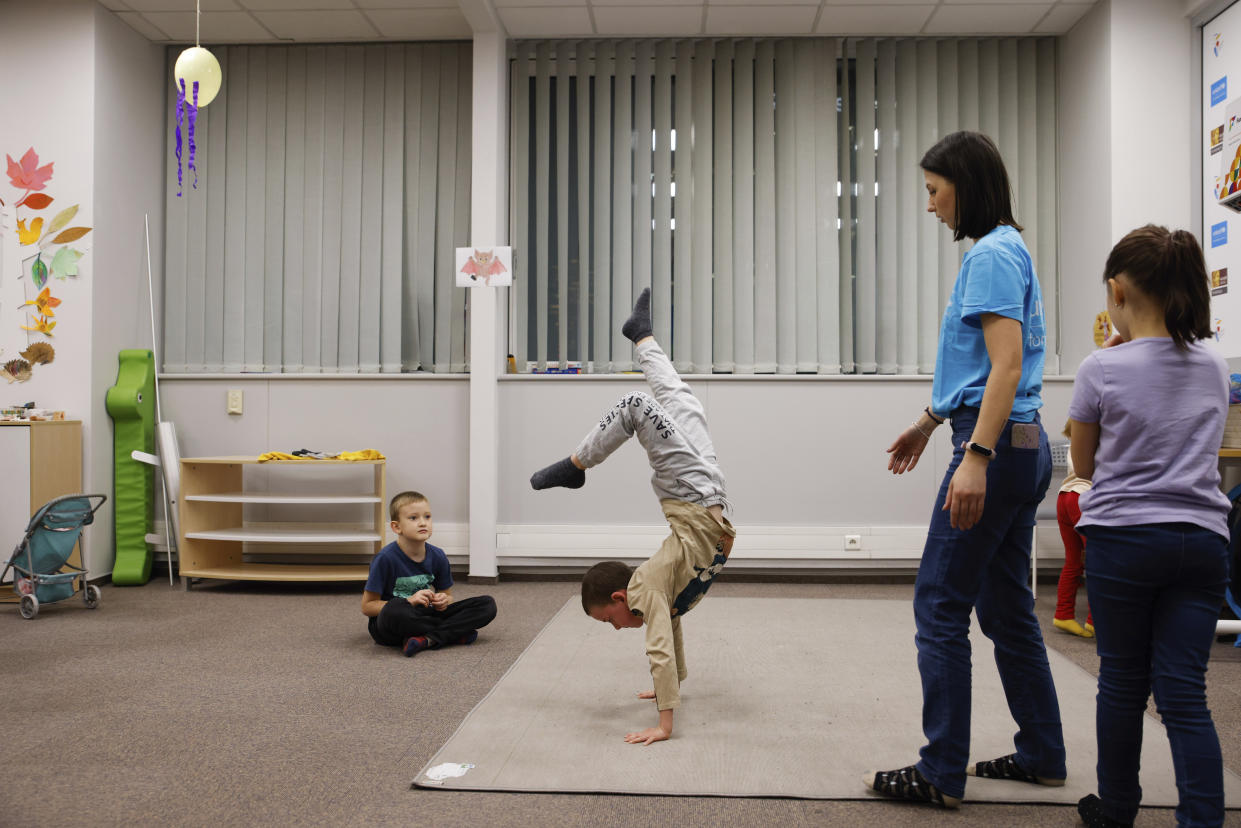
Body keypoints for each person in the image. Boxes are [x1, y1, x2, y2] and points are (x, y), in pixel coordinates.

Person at [868, 130, 1066, 808]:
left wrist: (972, 458)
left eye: (932, 191)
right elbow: (988, 368)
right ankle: (1041, 753)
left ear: (964, 185)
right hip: (1020, 444)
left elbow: (1006, 366)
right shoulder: (1009, 249)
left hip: (995, 447)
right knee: (1008, 612)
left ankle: (939, 772)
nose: (929, 206)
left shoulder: (987, 256)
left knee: (939, 604)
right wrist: (929, 423)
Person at [1069, 225, 1230, 828]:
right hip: (1203, 541)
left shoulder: (1100, 368)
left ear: (1117, 291)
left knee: (1123, 681)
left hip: (1125, 540)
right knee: (1185, 694)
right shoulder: (1214, 366)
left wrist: (1116, 354)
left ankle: (1116, 810)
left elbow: (1084, 466)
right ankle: (1204, 820)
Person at [530, 287, 737, 747]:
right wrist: (674, 686)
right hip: (706, 493)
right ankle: (642, 337)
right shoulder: (661, 592)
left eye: (610, 619)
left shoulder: (645, 591)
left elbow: (659, 648)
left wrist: (664, 725)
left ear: (621, 597)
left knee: (636, 405)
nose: (617, 629)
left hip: (693, 498)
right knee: (682, 400)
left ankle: (575, 465)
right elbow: (674, 628)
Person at [362, 491, 497, 656]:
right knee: (395, 608)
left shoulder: (438, 555)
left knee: (487, 605)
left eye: (427, 517)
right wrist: (409, 601)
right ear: (396, 527)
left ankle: (427, 639)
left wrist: (443, 600)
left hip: (425, 614)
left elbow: (447, 595)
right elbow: (367, 607)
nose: (422, 523)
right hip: (392, 622)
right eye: (413, 518)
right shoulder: (385, 558)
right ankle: (451, 634)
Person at [1053, 419, 1094, 638]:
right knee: (1099, 560)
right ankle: (1094, 620)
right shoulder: (1096, 440)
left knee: (1073, 560)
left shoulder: (1074, 440)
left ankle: (1064, 614)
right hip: (1084, 499)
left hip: (1065, 497)